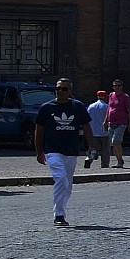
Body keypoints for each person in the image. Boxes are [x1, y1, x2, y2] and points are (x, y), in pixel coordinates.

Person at [33, 79, 90, 227]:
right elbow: (39, 131)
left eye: (64, 89)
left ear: (70, 91)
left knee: (67, 185)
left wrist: (92, 146)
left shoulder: (77, 106)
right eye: (58, 88)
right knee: (61, 179)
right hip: (52, 150)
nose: (60, 91)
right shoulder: (46, 108)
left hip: (71, 151)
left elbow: (86, 126)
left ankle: (61, 210)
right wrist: (39, 152)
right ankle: (58, 215)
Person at [104, 81, 130, 168]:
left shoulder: (125, 97)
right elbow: (109, 108)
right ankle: (119, 160)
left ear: (122, 86)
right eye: (115, 86)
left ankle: (120, 160)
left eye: (118, 85)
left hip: (121, 122)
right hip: (111, 122)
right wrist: (105, 120)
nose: (116, 87)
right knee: (112, 143)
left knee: (116, 141)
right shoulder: (111, 95)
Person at [83, 90, 110, 168]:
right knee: (105, 149)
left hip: (93, 131)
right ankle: (105, 164)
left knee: (93, 148)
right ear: (105, 97)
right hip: (104, 131)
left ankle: (89, 158)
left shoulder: (91, 106)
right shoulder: (106, 106)